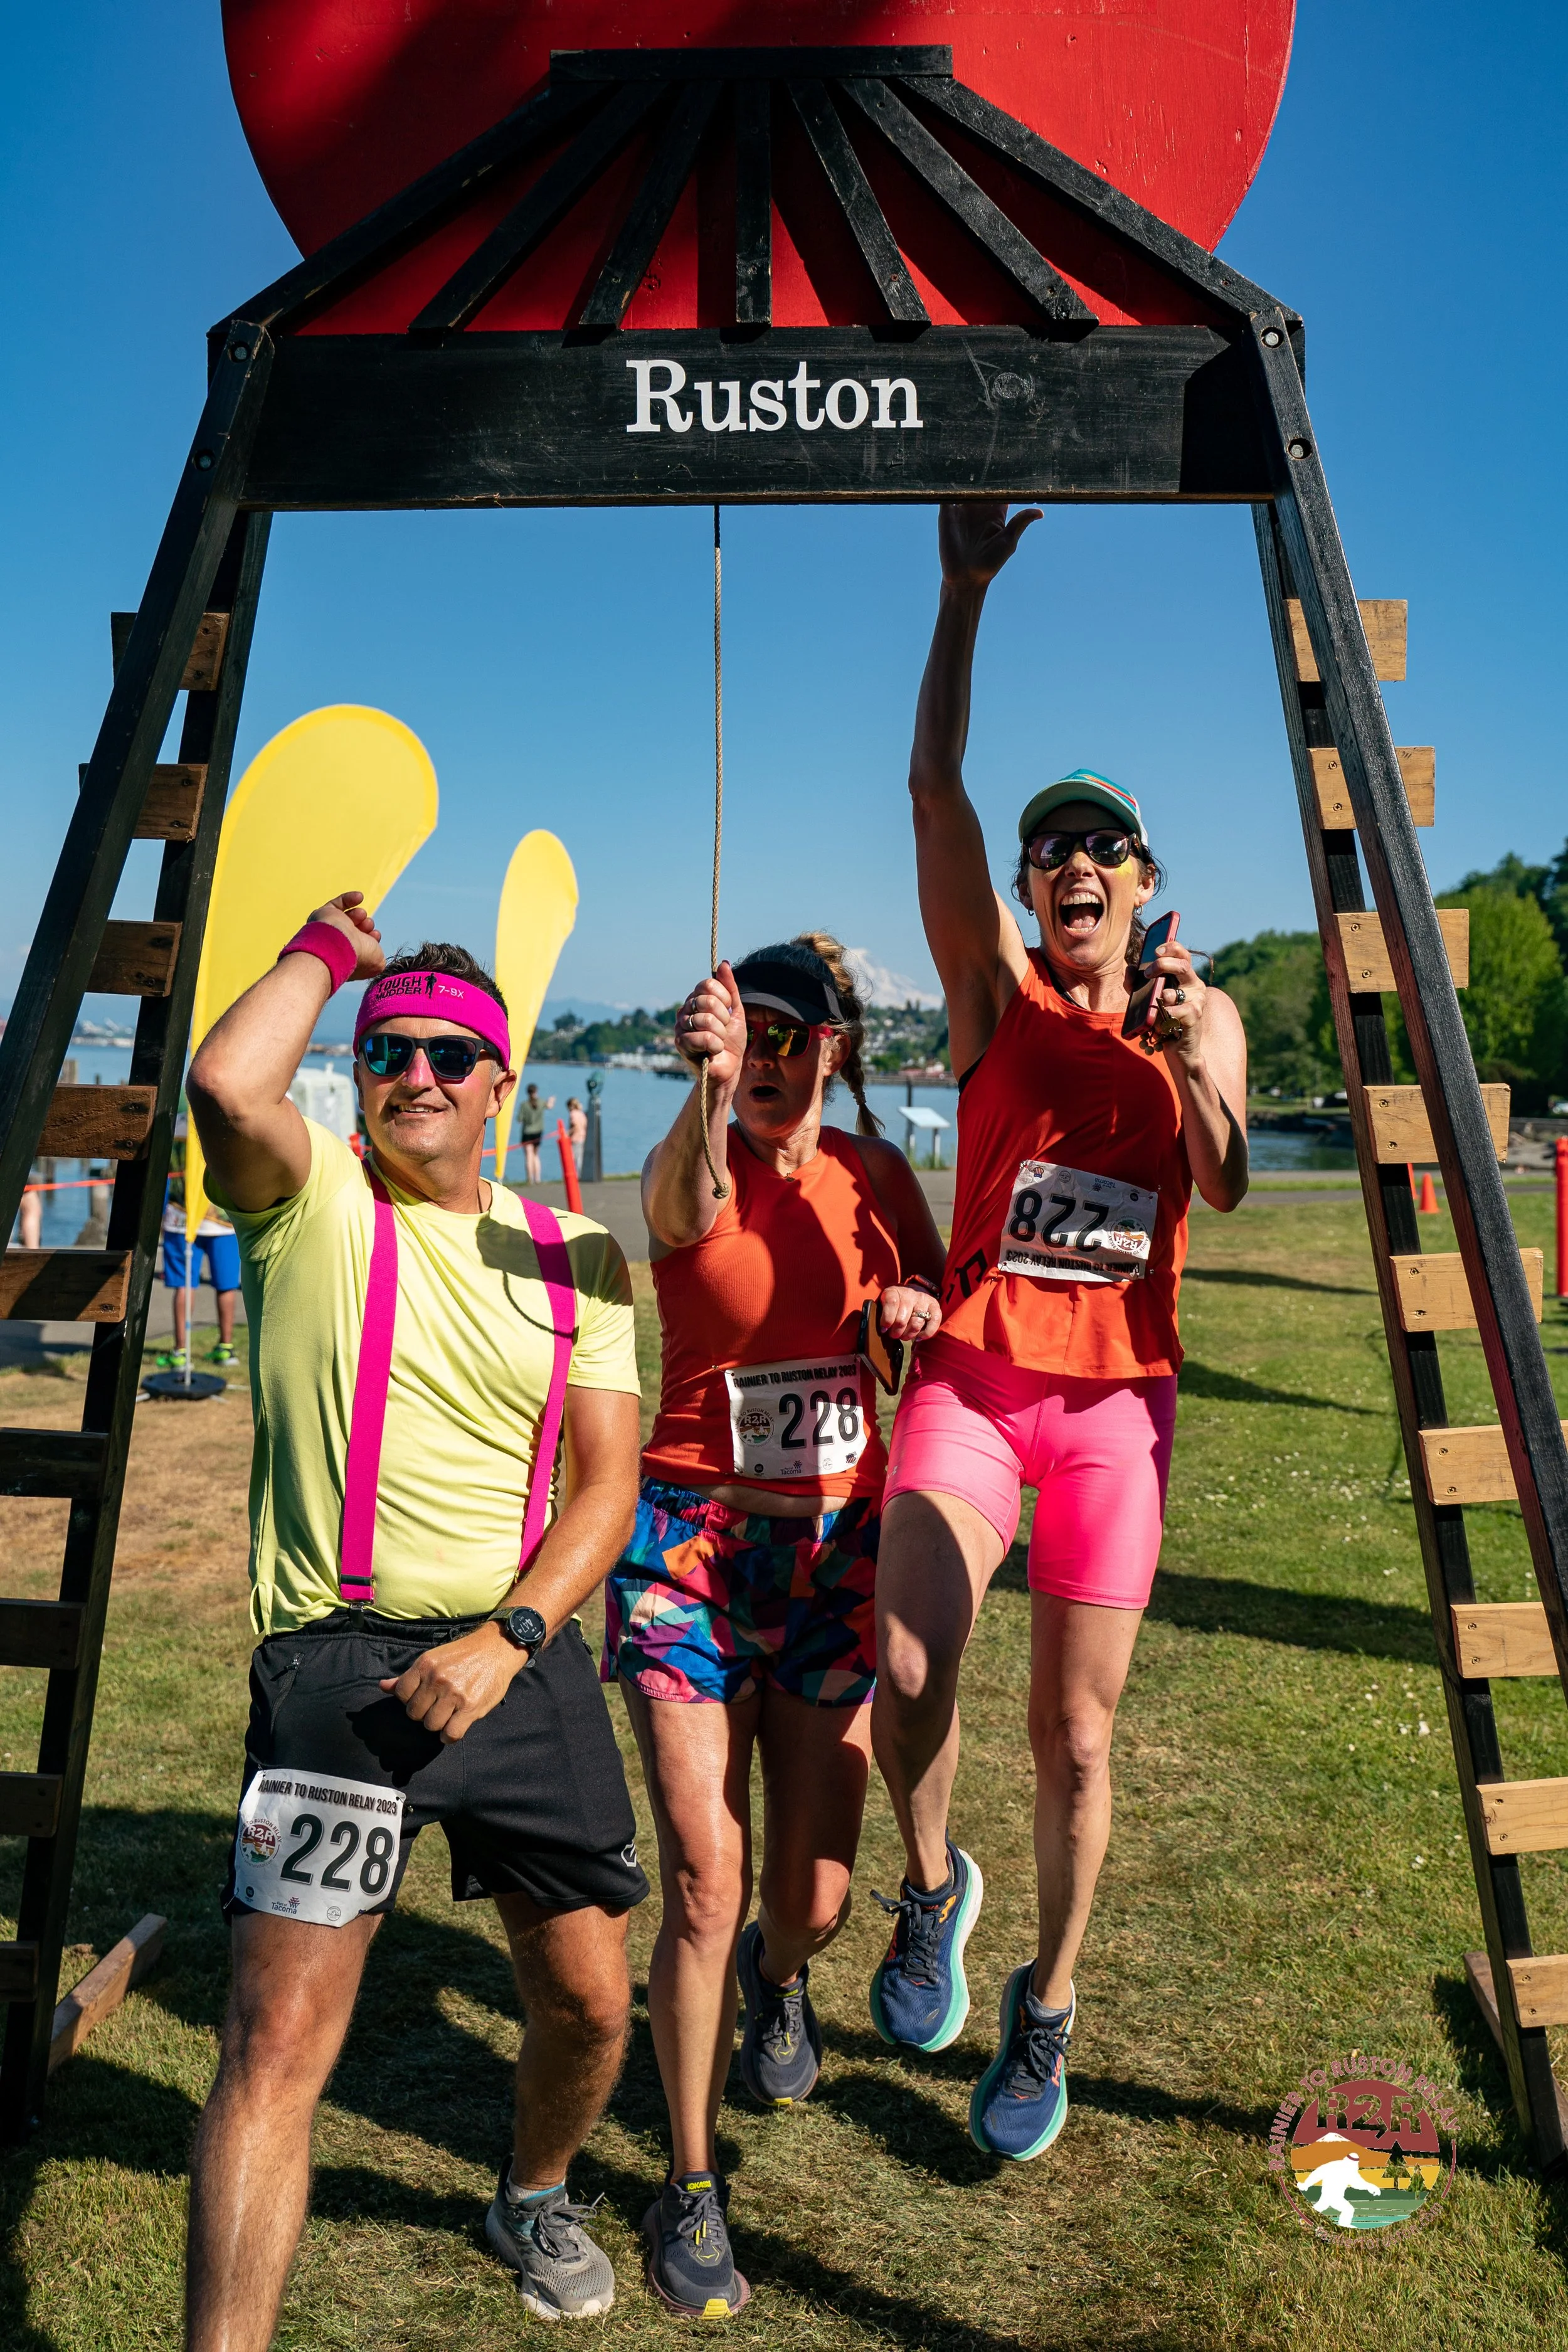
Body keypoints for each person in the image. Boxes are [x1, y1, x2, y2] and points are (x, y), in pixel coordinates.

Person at [183, 896, 647, 2346]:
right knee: (274, 2048)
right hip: (338, 1671)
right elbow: (221, 1081)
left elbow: (608, 1483)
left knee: (588, 2003)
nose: (420, 1073)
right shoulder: (308, 1193)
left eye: (455, 1052)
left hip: (517, 1652)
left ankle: (533, 2188)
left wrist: (509, 1634)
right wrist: (327, 954)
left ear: (505, 1082)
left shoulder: (578, 1252)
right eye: (392, 1051)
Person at [870, 505, 1249, 2164]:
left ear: (1145, 883)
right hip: (972, 1379)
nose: (1073, 860)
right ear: (1032, 892)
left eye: (1103, 845)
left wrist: (1183, 1057)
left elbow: (1225, 1180)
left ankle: (1049, 1999)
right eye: (1053, 848)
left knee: (1076, 1732)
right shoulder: (991, 1000)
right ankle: (933, 1886)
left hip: (1114, 1418)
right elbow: (928, 792)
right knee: (905, 1663)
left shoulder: (1198, 1008)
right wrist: (958, 599)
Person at [605, 933, 948, 2317]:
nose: (773, 1061)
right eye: (754, 1035)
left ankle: (779, 1977)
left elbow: (944, 1304)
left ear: (838, 1049)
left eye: (794, 1039)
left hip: (832, 1550)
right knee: (703, 1876)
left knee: (803, 1898)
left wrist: (920, 1308)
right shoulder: (695, 1153)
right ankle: (688, 2185)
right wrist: (703, 1080)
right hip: (688, 1545)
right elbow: (678, 1215)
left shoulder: (872, 1180)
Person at [158, 1118, 241, 1367]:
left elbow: (163, 1173)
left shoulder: (175, 1127)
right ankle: (226, 1348)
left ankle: (181, 1352)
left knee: (185, 1285)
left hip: (180, 1220)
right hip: (223, 1221)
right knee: (226, 1285)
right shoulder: (227, 1124)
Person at [519, 1081, 554, 1184]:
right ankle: (538, 1178)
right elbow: (549, 1107)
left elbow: (520, 1120)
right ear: (536, 1092)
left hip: (527, 1133)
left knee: (529, 1156)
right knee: (536, 1155)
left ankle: (530, 1179)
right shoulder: (541, 1102)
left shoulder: (524, 1105)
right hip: (538, 1132)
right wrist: (551, 1100)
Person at [567, 1095, 588, 1170]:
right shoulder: (581, 1114)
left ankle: (578, 1175)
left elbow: (575, 1126)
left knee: (575, 1158)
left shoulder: (573, 1114)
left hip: (576, 1138)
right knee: (581, 1157)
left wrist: (568, 1133)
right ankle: (582, 1173)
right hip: (583, 1137)